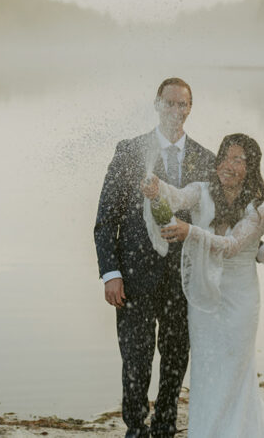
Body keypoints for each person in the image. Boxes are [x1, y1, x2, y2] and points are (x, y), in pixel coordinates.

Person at [141, 133, 264, 438]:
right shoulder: (202, 190)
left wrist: (189, 231)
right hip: (203, 297)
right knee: (206, 372)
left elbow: (233, 246)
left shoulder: (259, 209)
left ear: (251, 167)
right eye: (225, 157)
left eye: (238, 159)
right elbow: (177, 197)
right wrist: (157, 188)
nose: (228, 165)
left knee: (236, 371)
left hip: (240, 301)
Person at [93, 78, 216, 438]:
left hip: (183, 278)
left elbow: (216, 221)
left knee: (176, 357)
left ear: (190, 109)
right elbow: (106, 219)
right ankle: (135, 426)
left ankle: (164, 424)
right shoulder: (130, 151)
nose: (176, 111)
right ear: (157, 103)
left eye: (183, 105)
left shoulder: (206, 159)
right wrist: (110, 273)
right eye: (169, 103)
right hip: (134, 276)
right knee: (136, 357)